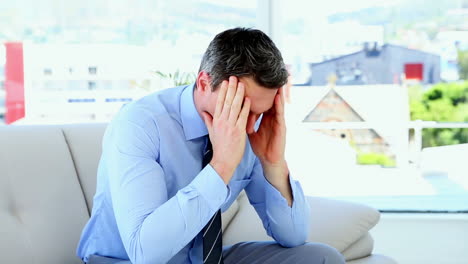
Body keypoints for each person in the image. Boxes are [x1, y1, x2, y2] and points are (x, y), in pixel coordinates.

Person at [77, 27, 345, 264]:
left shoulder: (253, 131)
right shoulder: (140, 124)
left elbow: (293, 236)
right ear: (204, 83)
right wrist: (222, 166)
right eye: (239, 106)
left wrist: (273, 163)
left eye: (259, 113)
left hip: (201, 259)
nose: (249, 125)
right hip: (126, 260)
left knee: (321, 258)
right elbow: (145, 253)